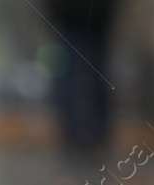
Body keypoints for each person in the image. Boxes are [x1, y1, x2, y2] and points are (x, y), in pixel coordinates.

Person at [48, 0, 118, 152]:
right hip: (91, 15)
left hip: (77, 16)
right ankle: (92, 135)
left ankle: (78, 136)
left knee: (72, 75)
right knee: (89, 73)